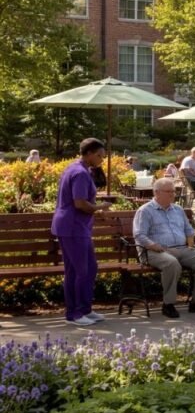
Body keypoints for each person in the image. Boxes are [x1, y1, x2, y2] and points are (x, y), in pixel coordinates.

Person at [132, 177, 195, 318]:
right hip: (153, 251)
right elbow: (139, 235)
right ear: (157, 192)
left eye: (174, 191)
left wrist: (190, 245)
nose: (172, 194)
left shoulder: (177, 210)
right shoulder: (145, 211)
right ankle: (168, 304)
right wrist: (154, 245)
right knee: (171, 263)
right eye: (168, 191)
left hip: (181, 249)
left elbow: (189, 230)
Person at [51, 138, 112, 326]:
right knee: (80, 271)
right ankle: (74, 314)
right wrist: (99, 206)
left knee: (87, 269)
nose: (102, 160)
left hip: (75, 227)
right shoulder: (80, 173)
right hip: (73, 227)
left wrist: (95, 209)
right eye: (100, 156)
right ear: (89, 154)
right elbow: (80, 203)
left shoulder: (76, 168)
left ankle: (84, 309)